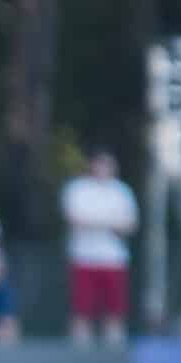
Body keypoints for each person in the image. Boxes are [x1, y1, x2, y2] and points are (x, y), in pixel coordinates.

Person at [60, 149, 138, 347]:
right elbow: (74, 219)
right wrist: (109, 222)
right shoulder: (78, 189)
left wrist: (94, 222)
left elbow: (130, 225)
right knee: (82, 312)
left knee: (115, 313)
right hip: (84, 258)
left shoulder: (122, 191)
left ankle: (113, 353)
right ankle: (80, 355)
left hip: (113, 260)